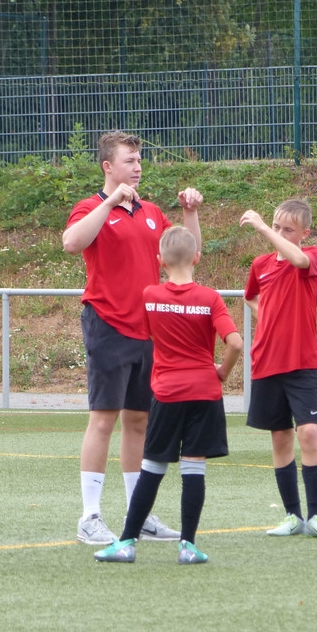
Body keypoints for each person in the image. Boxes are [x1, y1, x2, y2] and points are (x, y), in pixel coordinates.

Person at [63, 130, 204, 545]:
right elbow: (71, 242)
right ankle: (89, 516)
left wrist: (190, 213)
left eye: (140, 160)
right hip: (107, 324)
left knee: (139, 421)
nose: (138, 167)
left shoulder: (152, 211)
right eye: (129, 160)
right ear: (108, 166)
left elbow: (189, 254)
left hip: (147, 329)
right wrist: (110, 203)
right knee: (103, 419)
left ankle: (136, 513)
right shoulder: (90, 207)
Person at [95, 226, 242, 564]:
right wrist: (222, 372)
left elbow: (146, 334)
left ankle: (127, 542)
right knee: (194, 468)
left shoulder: (150, 295)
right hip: (204, 392)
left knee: (152, 467)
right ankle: (188, 546)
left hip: (167, 392)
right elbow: (235, 343)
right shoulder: (210, 298)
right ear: (197, 258)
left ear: (160, 261)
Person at [240, 199, 317, 539]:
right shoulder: (261, 264)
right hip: (267, 361)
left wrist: (262, 228)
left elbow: (297, 260)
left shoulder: (310, 256)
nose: (280, 234)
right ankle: (292, 516)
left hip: (302, 363)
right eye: (276, 226)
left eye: (288, 229)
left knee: (309, 433)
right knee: (280, 437)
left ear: (304, 233)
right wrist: (267, 315)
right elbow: (250, 296)